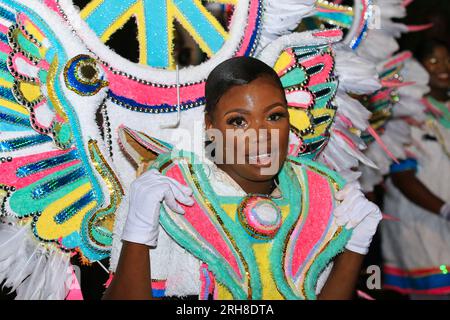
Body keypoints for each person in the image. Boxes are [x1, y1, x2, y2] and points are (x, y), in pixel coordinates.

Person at [103, 57, 381, 300]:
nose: (261, 135)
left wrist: (353, 248)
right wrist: (137, 235)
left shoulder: (319, 197)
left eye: (274, 116)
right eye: (238, 121)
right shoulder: (173, 196)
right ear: (211, 128)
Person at [381, 40, 450, 299]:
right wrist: (444, 209)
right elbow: (402, 177)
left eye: (447, 61)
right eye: (433, 61)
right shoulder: (404, 115)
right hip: (420, 227)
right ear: (418, 68)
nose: (443, 68)